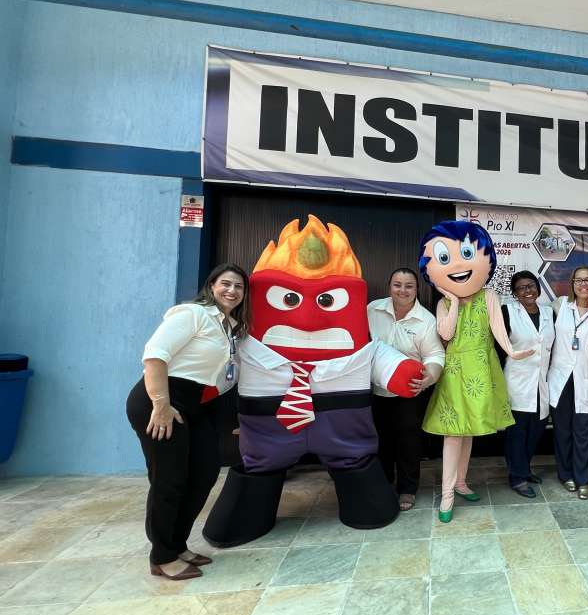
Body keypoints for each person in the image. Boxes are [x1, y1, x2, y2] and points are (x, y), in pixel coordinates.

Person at [202, 216, 424, 548]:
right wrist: (199, 388)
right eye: (289, 300)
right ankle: (245, 515)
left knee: (364, 484)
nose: (308, 317)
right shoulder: (243, 344)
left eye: (326, 301)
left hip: (345, 437)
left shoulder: (361, 347)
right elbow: (220, 371)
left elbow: (381, 357)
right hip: (268, 435)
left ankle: (367, 505)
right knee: (254, 478)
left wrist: (405, 372)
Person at [126, 263, 249, 580]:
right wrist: (161, 404)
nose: (232, 291)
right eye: (226, 284)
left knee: (204, 472)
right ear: (211, 286)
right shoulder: (193, 314)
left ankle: (177, 544)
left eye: (238, 286)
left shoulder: (231, 328)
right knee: (169, 479)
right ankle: (162, 556)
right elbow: (155, 354)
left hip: (195, 405)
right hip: (161, 399)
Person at [418, 221, 531, 523]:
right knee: (453, 434)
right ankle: (447, 495)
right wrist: (454, 301)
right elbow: (446, 333)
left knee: (468, 432)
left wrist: (511, 351)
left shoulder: (489, 296)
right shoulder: (443, 303)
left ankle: (461, 482)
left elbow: (498, 328)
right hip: (455, 370)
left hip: (482, 367)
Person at [368, 268, 446, 511]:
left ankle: (407, 489)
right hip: (375, 388)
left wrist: (429, 377)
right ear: (389, 286)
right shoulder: (372, 310)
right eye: (397, 284)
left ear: (417, 289)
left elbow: (435, 355)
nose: (402, 290)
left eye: (409, 286)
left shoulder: (426, 320)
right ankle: (383, 483)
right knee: (380, 439)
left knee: (408, 441)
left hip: (411, 390)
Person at [548, 266, 588, 500]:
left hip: (585, 379)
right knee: (562, 430)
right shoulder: (559, 306)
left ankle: (583, 479)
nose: (583, 284)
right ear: (572, 283)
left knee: (582, 431)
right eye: (578, 280)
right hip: (560, 379)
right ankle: (565, 475)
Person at [499, 271, 555, 498]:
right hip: (517, 382)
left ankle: (525, 468)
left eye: (531, 285)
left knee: (536, 430)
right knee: (518, 432)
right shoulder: (507, 312)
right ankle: (517, 477)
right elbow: (498, 346)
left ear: (538, 288)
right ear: (515, 293)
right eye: (521, 288)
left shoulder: (549, 313)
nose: (528, 291)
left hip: (541, 382)